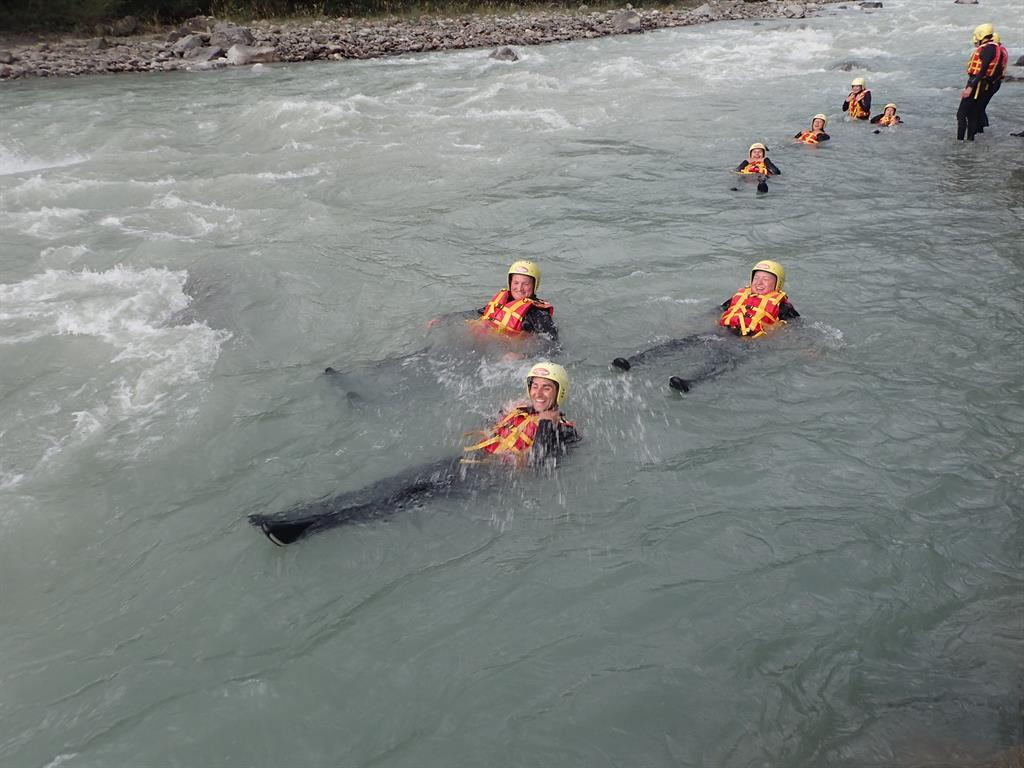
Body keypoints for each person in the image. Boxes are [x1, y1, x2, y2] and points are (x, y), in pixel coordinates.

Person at [250, 362, 580, 545]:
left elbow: (541, 465)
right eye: (534, 386)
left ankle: (313, 526)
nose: (538, 393)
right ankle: (299, 514)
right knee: (389, 485)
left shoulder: (564, 430)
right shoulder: (521, 411)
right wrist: (506, 413)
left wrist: (546, 425)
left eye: (546, 388)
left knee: (405, 496)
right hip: (464, 463)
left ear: (558, 393)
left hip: (486, 479)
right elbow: (491, 430)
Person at [610, 260, 799, 392]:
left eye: (766, 279)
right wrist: (689, 324)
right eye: (756, 278)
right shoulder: (740, 297)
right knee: (679, 344)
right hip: (720, 333)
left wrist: (805, 348)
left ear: (777, 284)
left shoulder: (783, 307)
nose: (759, 283)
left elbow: (796, 328)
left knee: (720, 362)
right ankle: (634, 361)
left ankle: (691, 383)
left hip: (745, 342)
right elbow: (715, 311)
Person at [427, 259, 558, 354]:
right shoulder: (502, 302)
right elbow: (477, 313)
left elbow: (553, 346)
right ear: (510, 283)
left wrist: (523, 356)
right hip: (476, 344)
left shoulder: (538, 313)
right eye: (516, 283)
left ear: (535, 285)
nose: (519, 288)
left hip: (497, 353)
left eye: (526, 284)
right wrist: (443, 318)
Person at [958, 23, 999, 141]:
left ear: (981, 35)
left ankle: (960, 141)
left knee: (961, 114)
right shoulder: (992, 47)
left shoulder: (988, 49)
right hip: (980, 83)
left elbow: (983, 70)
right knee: (972, 113)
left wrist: (970, 87)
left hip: (976, 83)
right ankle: (970, 139)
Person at [977, 31, 1009, 134]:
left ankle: (981, 129)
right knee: (981, 106)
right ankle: (983, 127)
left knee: (979, 106)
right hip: (996, 82)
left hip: (992, 83)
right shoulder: (1001, 50)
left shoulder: (995, 52)